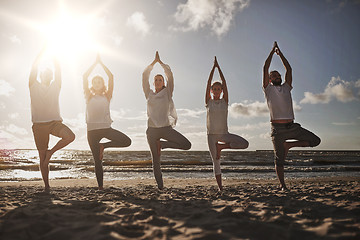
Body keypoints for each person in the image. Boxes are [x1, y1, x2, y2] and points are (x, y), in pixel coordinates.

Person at [263, 42, 321, 191]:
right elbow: (265, 68)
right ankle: (283, 186)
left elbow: (289, 69)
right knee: (279, 160)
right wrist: (271, 52)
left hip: (292, 127)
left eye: (278, 75)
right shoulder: (268, 89)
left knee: (315, 140)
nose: (276, 76)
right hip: (278, 130)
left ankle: (289, 145)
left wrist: (280, 53)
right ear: (269, 80)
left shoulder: (287, 87)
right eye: (273, 75)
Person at [142, 51, 191, 190]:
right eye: (156, 80)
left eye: (160, 80)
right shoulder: (149, 94)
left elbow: (170, 75)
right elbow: (144, 76)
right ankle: (160, 187)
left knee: (186, 144)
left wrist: (161, 63)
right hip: (152, 131)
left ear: (163, 83)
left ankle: (163, 145)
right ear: (153, 83)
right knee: (155, 161)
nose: (158, 81)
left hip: (165, 128)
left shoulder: (167, 92)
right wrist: (152, 63)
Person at [29, 47, 75, 192]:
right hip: (38, 125)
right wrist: (41, 53)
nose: (47, 75)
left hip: (54, 123)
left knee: (70, 136)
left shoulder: (56, 85)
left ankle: (52, 152)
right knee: (42, 157)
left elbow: (58, 69)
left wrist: (54, 54)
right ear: (41, 75)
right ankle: (47, 186)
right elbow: (33, 68)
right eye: (45, 73)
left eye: (50, 74)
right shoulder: (33, 85)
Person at [83, 54, 131, 190]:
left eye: (99, 82)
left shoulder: (107, 95)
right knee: (97, 161)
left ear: (102, 85)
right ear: (92, 85)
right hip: (91, 132)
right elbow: (84, 76)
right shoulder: (88, 95)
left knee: (127, 141)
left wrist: (101, 64)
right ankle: (100, 187)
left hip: (106, 128)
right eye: (95, 82)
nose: (97, 84)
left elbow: (111, 77)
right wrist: (94, 63)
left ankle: (104, 146)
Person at [205, 56, 249, 191]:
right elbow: (207, 84)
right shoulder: (209, 102)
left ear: (222, 91)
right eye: (215, 89)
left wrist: (219, 68)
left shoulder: (225, 102)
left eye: (219, 89)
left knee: (244, 144)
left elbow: (225, 82)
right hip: (212, 135)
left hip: (224, 134)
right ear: (212, 91)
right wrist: (213, 69)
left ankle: (221, 148)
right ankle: (220, 188)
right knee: (216, 162)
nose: (217, 91)